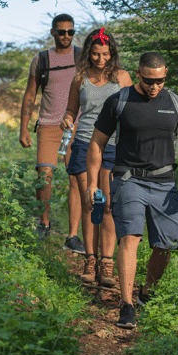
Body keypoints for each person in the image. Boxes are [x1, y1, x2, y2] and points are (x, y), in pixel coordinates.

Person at [86, 52, 178, 329]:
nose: (154, 86)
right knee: (131, 237)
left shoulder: (176, 103)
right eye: (149, 80)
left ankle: (146, 292)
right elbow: (97, 143)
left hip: (165, 182)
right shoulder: (119, 101)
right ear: (138, 74)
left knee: (166, 245)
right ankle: (126, 304)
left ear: (167, 75)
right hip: (129, 179)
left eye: (160, 81)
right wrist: (93, 183)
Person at [59, 28, 133, 287]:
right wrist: (67, 119)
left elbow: (132, 111)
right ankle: (89, 261)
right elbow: (71, 109)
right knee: (91, 205)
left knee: (109, 206)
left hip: (113, 146)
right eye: (95, 54)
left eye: (105, 54)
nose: (100, 59)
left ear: (112, 52)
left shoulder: (122, 78)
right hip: (83, 143)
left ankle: (107, 263)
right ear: (88, 53)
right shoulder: (80, 77)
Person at [19, 14, 84, 254]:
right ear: (52, 32)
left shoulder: (82, 57)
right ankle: (44, 223)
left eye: (69, 32)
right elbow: (30, 94)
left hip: (77, 126)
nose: (65, 36)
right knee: (43, 175)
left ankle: (73, 235)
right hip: (48, 125)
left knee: (76, 179)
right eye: (61, 32)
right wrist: (23, 127)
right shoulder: (41, 60)